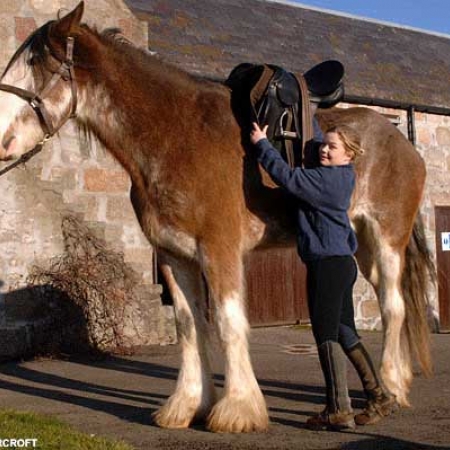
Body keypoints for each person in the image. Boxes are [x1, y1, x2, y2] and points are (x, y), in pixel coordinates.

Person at [249, 122, 399, 431]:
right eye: (323, 144)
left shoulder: (324, 181)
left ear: (348, 155)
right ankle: (379, 396)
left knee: (326, 334)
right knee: (345, 332)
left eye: (332, 146)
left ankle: (338, 409)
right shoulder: (342, 177)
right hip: (340, 263)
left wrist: (262, 143)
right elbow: (317, 141)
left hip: (327, 266)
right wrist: (310, 119)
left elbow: (287, 178)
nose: (324, 149)